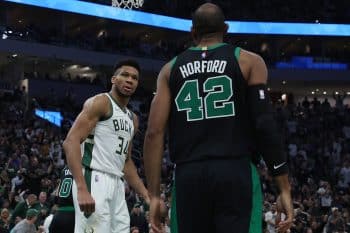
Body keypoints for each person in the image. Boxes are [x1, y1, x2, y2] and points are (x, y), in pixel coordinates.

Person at [143, 3, 293, 233]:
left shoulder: (169, 69)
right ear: (225, 28)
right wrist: (283, 187)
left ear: (193, 32)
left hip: (189, 174)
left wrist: (154, 196)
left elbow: (154, 133)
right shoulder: (249, 61)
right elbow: (264, 125)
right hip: (236, 170)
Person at [63, 59, 150, 233]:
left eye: (134, 78)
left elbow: (126, 162)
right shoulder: (101, 102)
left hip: (117, 183)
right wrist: (81, 187)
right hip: (94, 178)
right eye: (124, 75)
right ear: (113, 79)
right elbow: (70, 142)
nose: (130, 80)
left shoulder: (133, 118)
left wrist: (147, 196)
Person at [49, 166, 75, 233]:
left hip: (58, 214)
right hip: (73, 214)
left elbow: (56, 194)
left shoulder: (64, 169)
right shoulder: (83, 166)